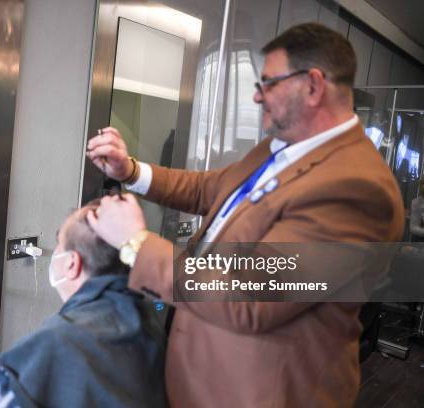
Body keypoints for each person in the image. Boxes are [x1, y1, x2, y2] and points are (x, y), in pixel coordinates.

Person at [86, 23, 405, 407]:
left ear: (313, 85)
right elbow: (211, 189)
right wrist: (131, 172)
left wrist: (136, 243)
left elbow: (250, 297)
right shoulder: (280, 148)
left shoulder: (357, 189)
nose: (257, 97)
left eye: (268, 83)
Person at [0, 202, 168, 408]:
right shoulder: (149, 319)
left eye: (58, 244)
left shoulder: (55, 342)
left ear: (72, 264)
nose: (55, 252)